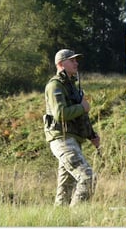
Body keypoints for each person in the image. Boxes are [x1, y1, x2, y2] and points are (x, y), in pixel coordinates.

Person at [43, 49, 100, 206]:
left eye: (76, 60)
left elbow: (81, 115)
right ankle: (76, 217)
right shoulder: (55, 85)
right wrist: (83, 108)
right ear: (61, 64)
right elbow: (60, 114)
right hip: (62, 139)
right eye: (72, 60)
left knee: (65, 189)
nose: (76, 63)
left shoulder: (72, 86)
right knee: (88, 177)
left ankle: (60, 221)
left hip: (72, 139)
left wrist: (91, 135)